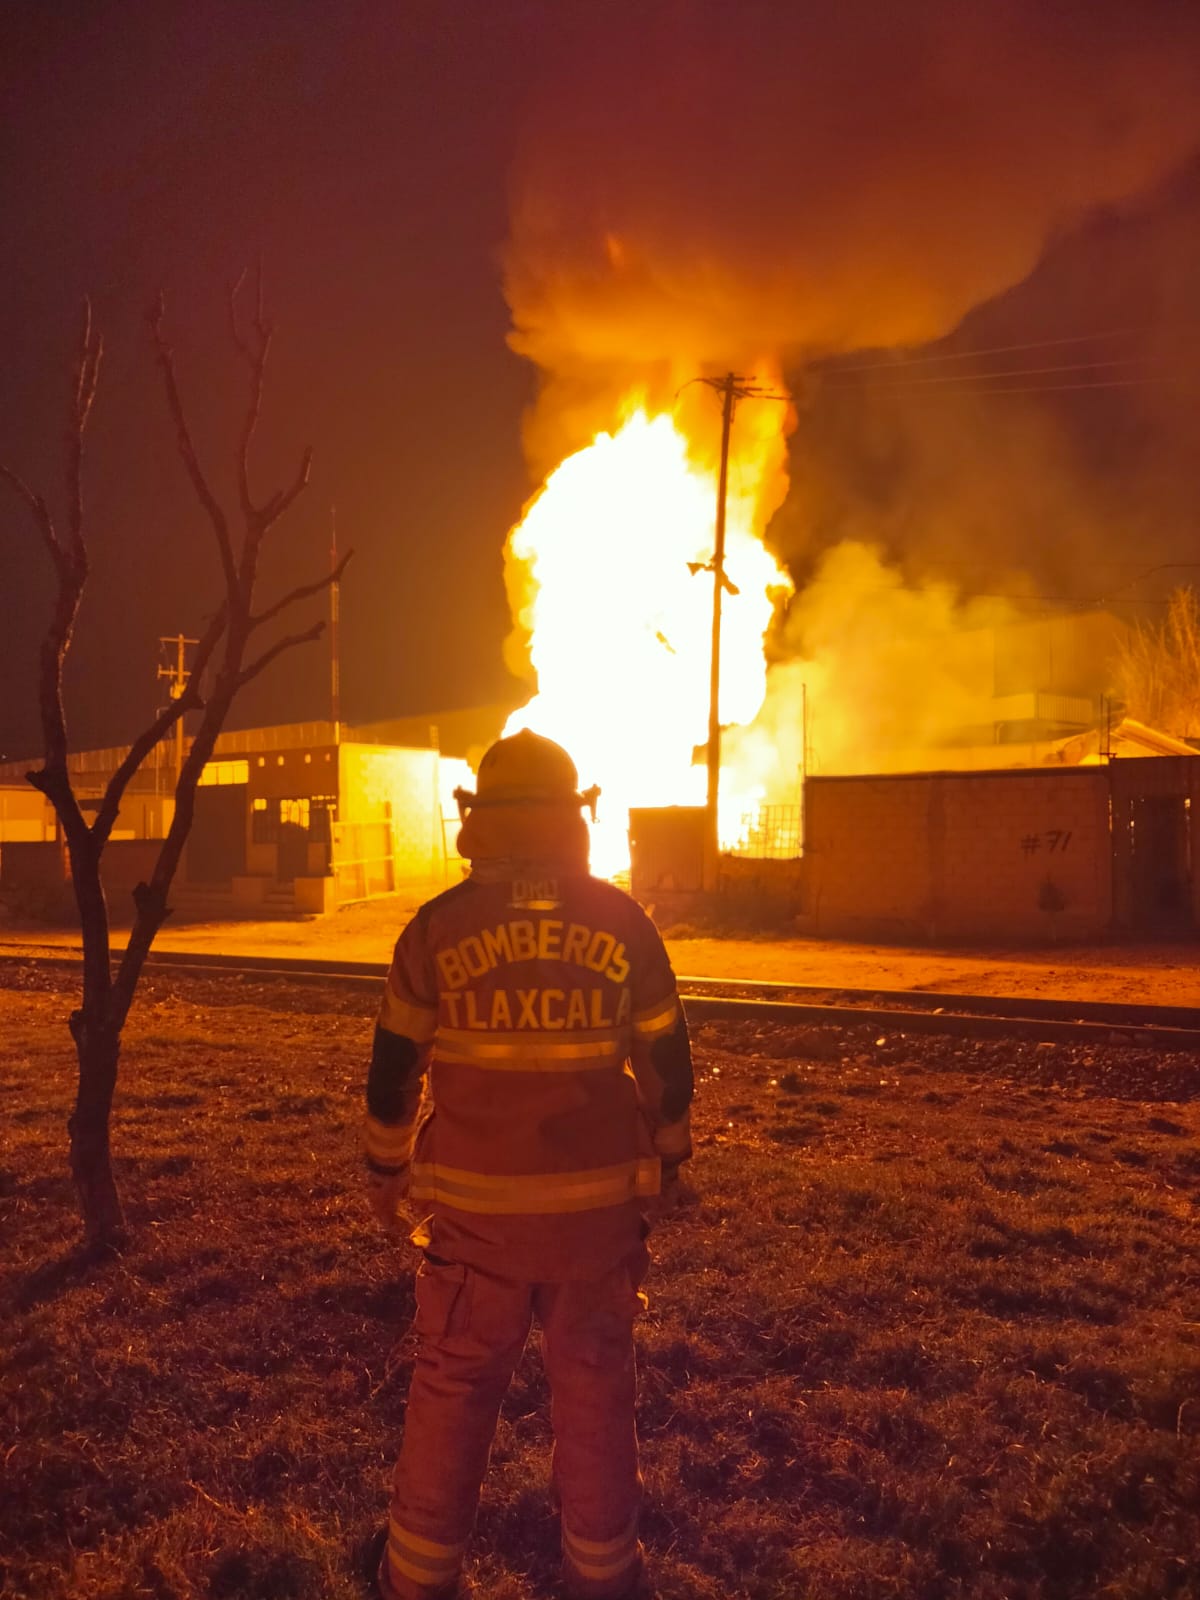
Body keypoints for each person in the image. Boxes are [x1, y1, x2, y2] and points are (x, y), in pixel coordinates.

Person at [363, 728, 694, 1600]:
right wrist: (670, 1159)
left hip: (477, 1231)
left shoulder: (436, 930)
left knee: (454, 1389)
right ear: (573, 817)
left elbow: (394, 1070)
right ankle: (604, 1576)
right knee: (594, 1392)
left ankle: (418, 1579)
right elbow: (667, 1061)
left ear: (479, 820)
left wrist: (385, 1171)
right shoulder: (623, 924)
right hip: (594, 1227)